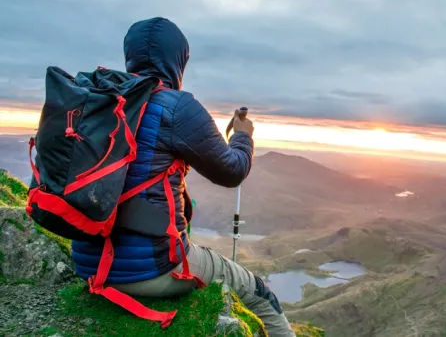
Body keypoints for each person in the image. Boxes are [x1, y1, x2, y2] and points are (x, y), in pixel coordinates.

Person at [70, 17, 295, 337]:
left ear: (129, 55)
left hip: (87, 263)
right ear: (178, 60)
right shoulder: (175, 106)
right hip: (153, 270)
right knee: (259, 293)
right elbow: (232, 171)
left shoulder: (94, 103)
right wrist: (243, 135)